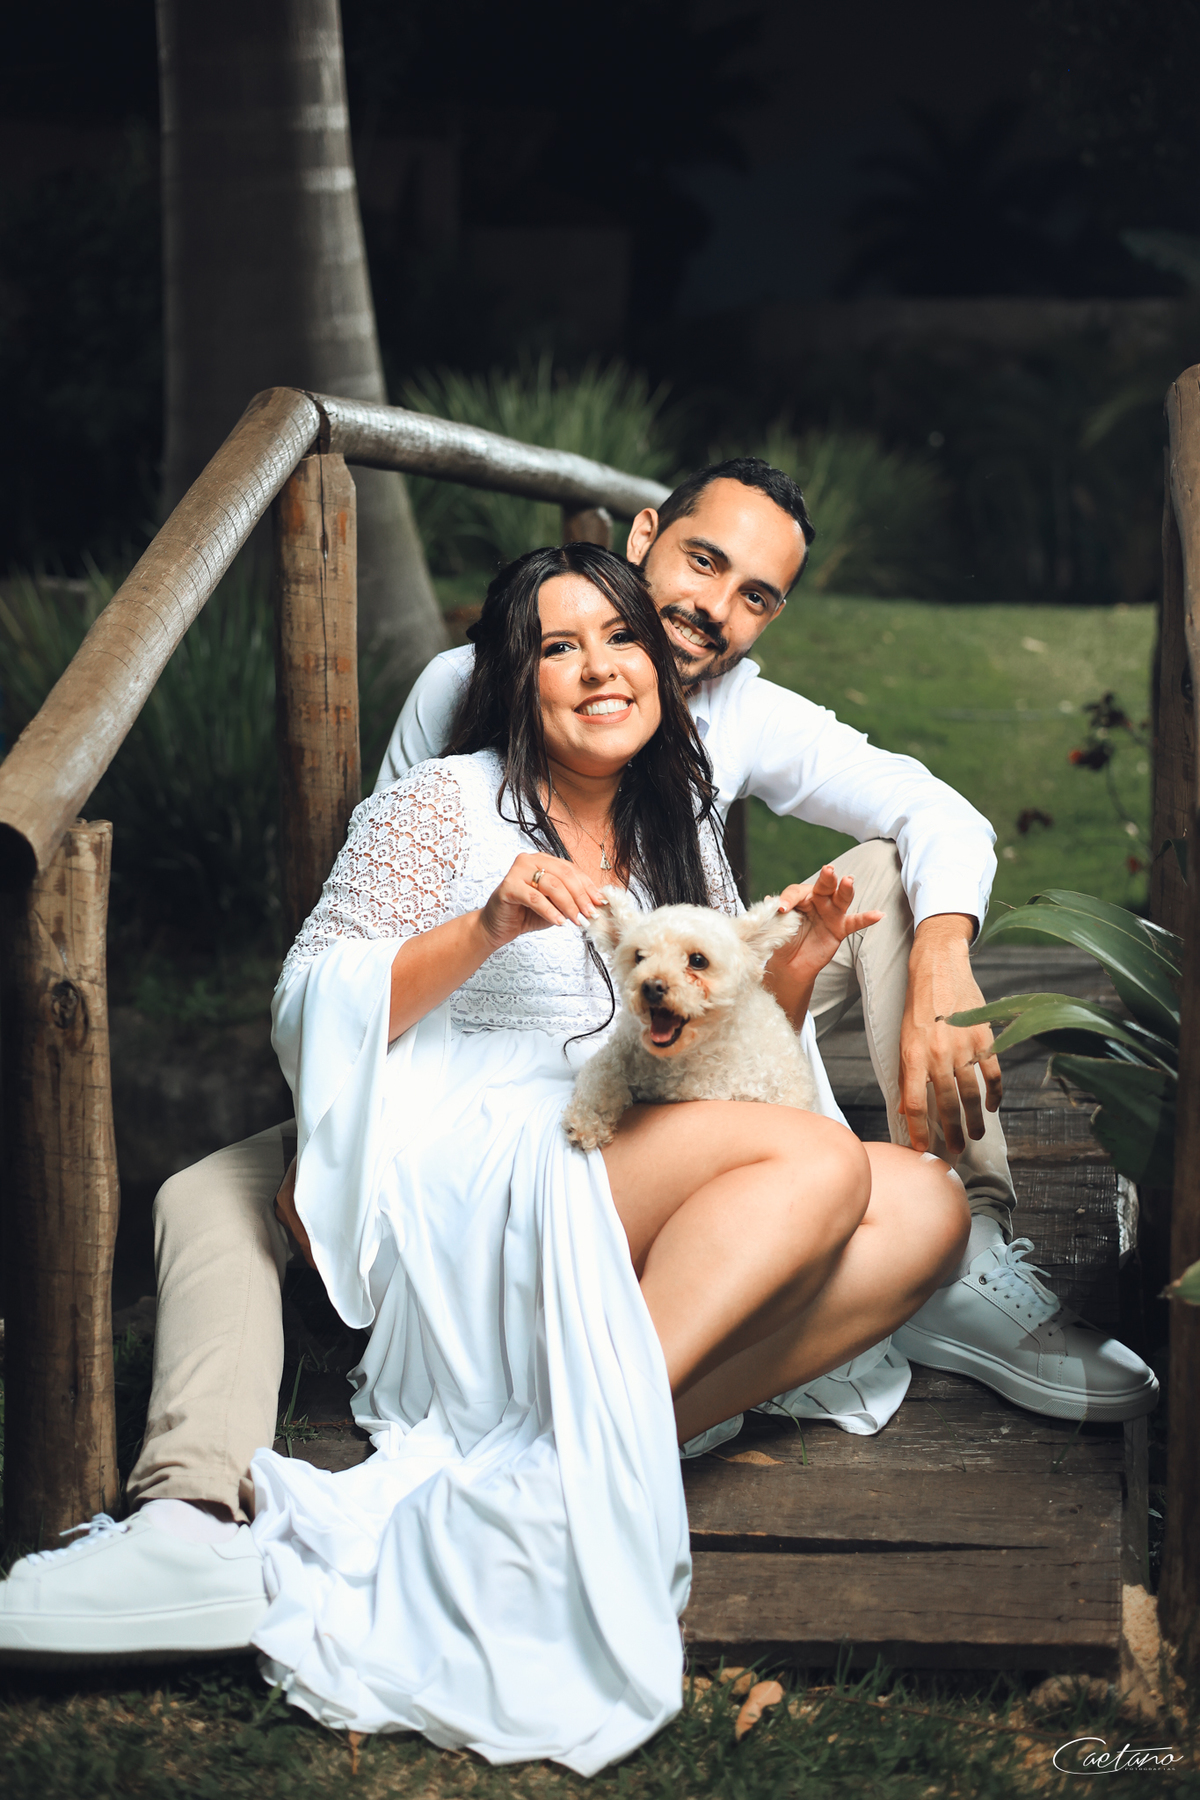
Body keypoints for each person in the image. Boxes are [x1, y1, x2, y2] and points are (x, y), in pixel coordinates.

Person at [0, 458, 1156, 1669]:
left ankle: (548, 1472)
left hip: (626, 1118)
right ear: (519, 671)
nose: (621, 657)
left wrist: (807, 965)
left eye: (635, 638)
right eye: (564, 647)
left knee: (920, 1204)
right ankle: (275, 1510)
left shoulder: (682, 807)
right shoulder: (448, 785)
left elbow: (713, 1029)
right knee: (821, 1164)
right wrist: (477, 935)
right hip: (478, 1133)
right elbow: (323, 987)